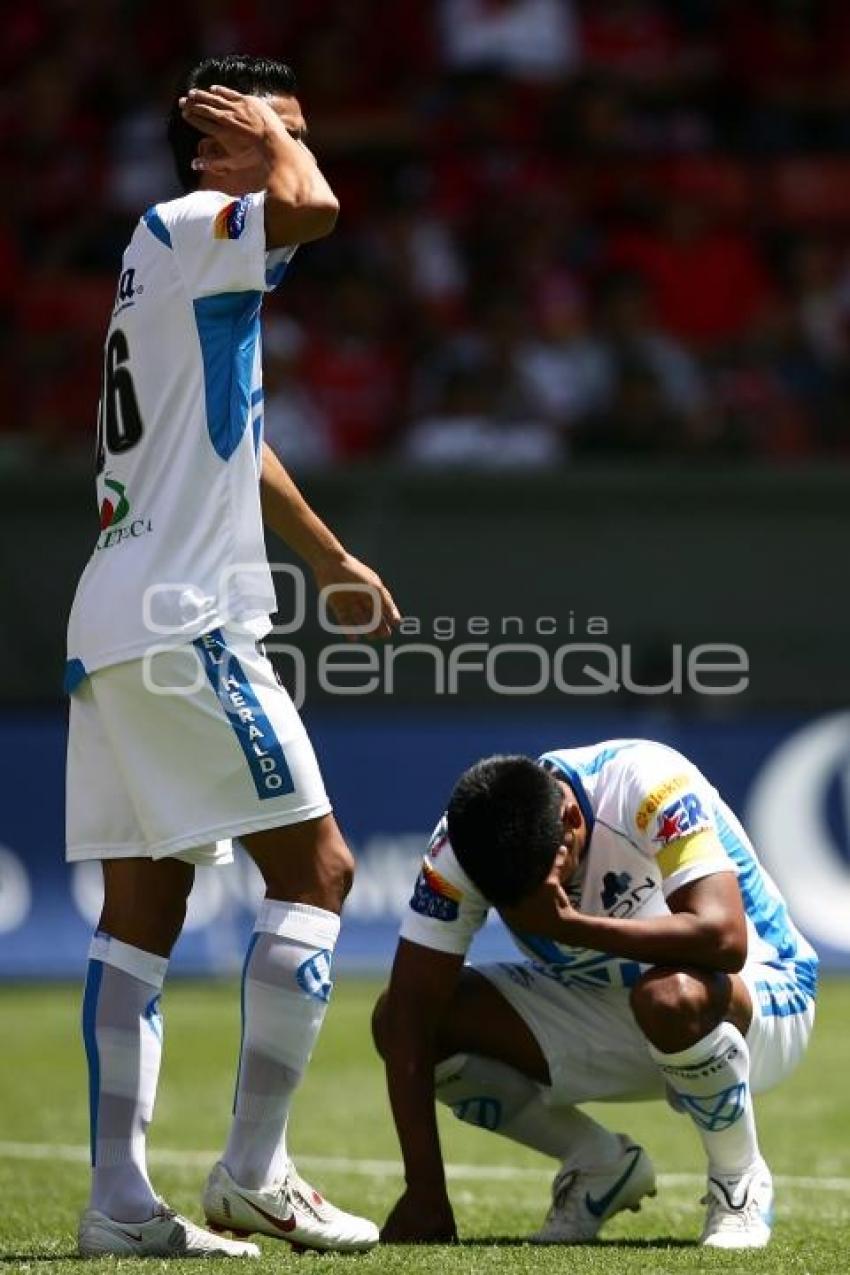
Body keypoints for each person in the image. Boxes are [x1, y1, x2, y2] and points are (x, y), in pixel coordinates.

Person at [65, 54, 400, 1259]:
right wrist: (269, 146)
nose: (294, 149)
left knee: (139, 915)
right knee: (317, 873)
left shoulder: (179, 259)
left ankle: (117, 1206)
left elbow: (240, 440)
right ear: (214, 148)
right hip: (180, 617)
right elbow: (313, 206)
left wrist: (327, 558)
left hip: (114, 612)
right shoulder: (202, 217)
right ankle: (255, 1172)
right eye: (269, 128)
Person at [373, 740, 818, 1249]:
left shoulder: (647, 783)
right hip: (621, 1007)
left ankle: (739, 1182)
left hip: (759, 998)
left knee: (670, 996)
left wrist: (571, 926)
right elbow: (411, 1011)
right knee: (401, 1019)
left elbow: (724, 939)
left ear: (570, 820)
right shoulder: (460, 847)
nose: (521, 912)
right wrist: (424, 1191)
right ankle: (599, 1163)